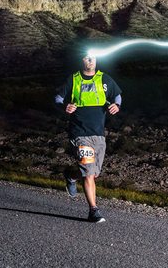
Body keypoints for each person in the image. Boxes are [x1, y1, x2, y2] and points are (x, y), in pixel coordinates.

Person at [54, 54, 122, 223]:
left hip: (98, 134)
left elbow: (118, 95)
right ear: (82, 60)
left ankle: (71, 175)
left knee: (92, 173)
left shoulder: (104, 79)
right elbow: (58, 98)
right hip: (79, 133)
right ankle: (93, 210)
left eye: (93, 58)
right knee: (89, 173)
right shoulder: (74, 79)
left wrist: (117, 105)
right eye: (87, 58)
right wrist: (65, 106)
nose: (90, 61)